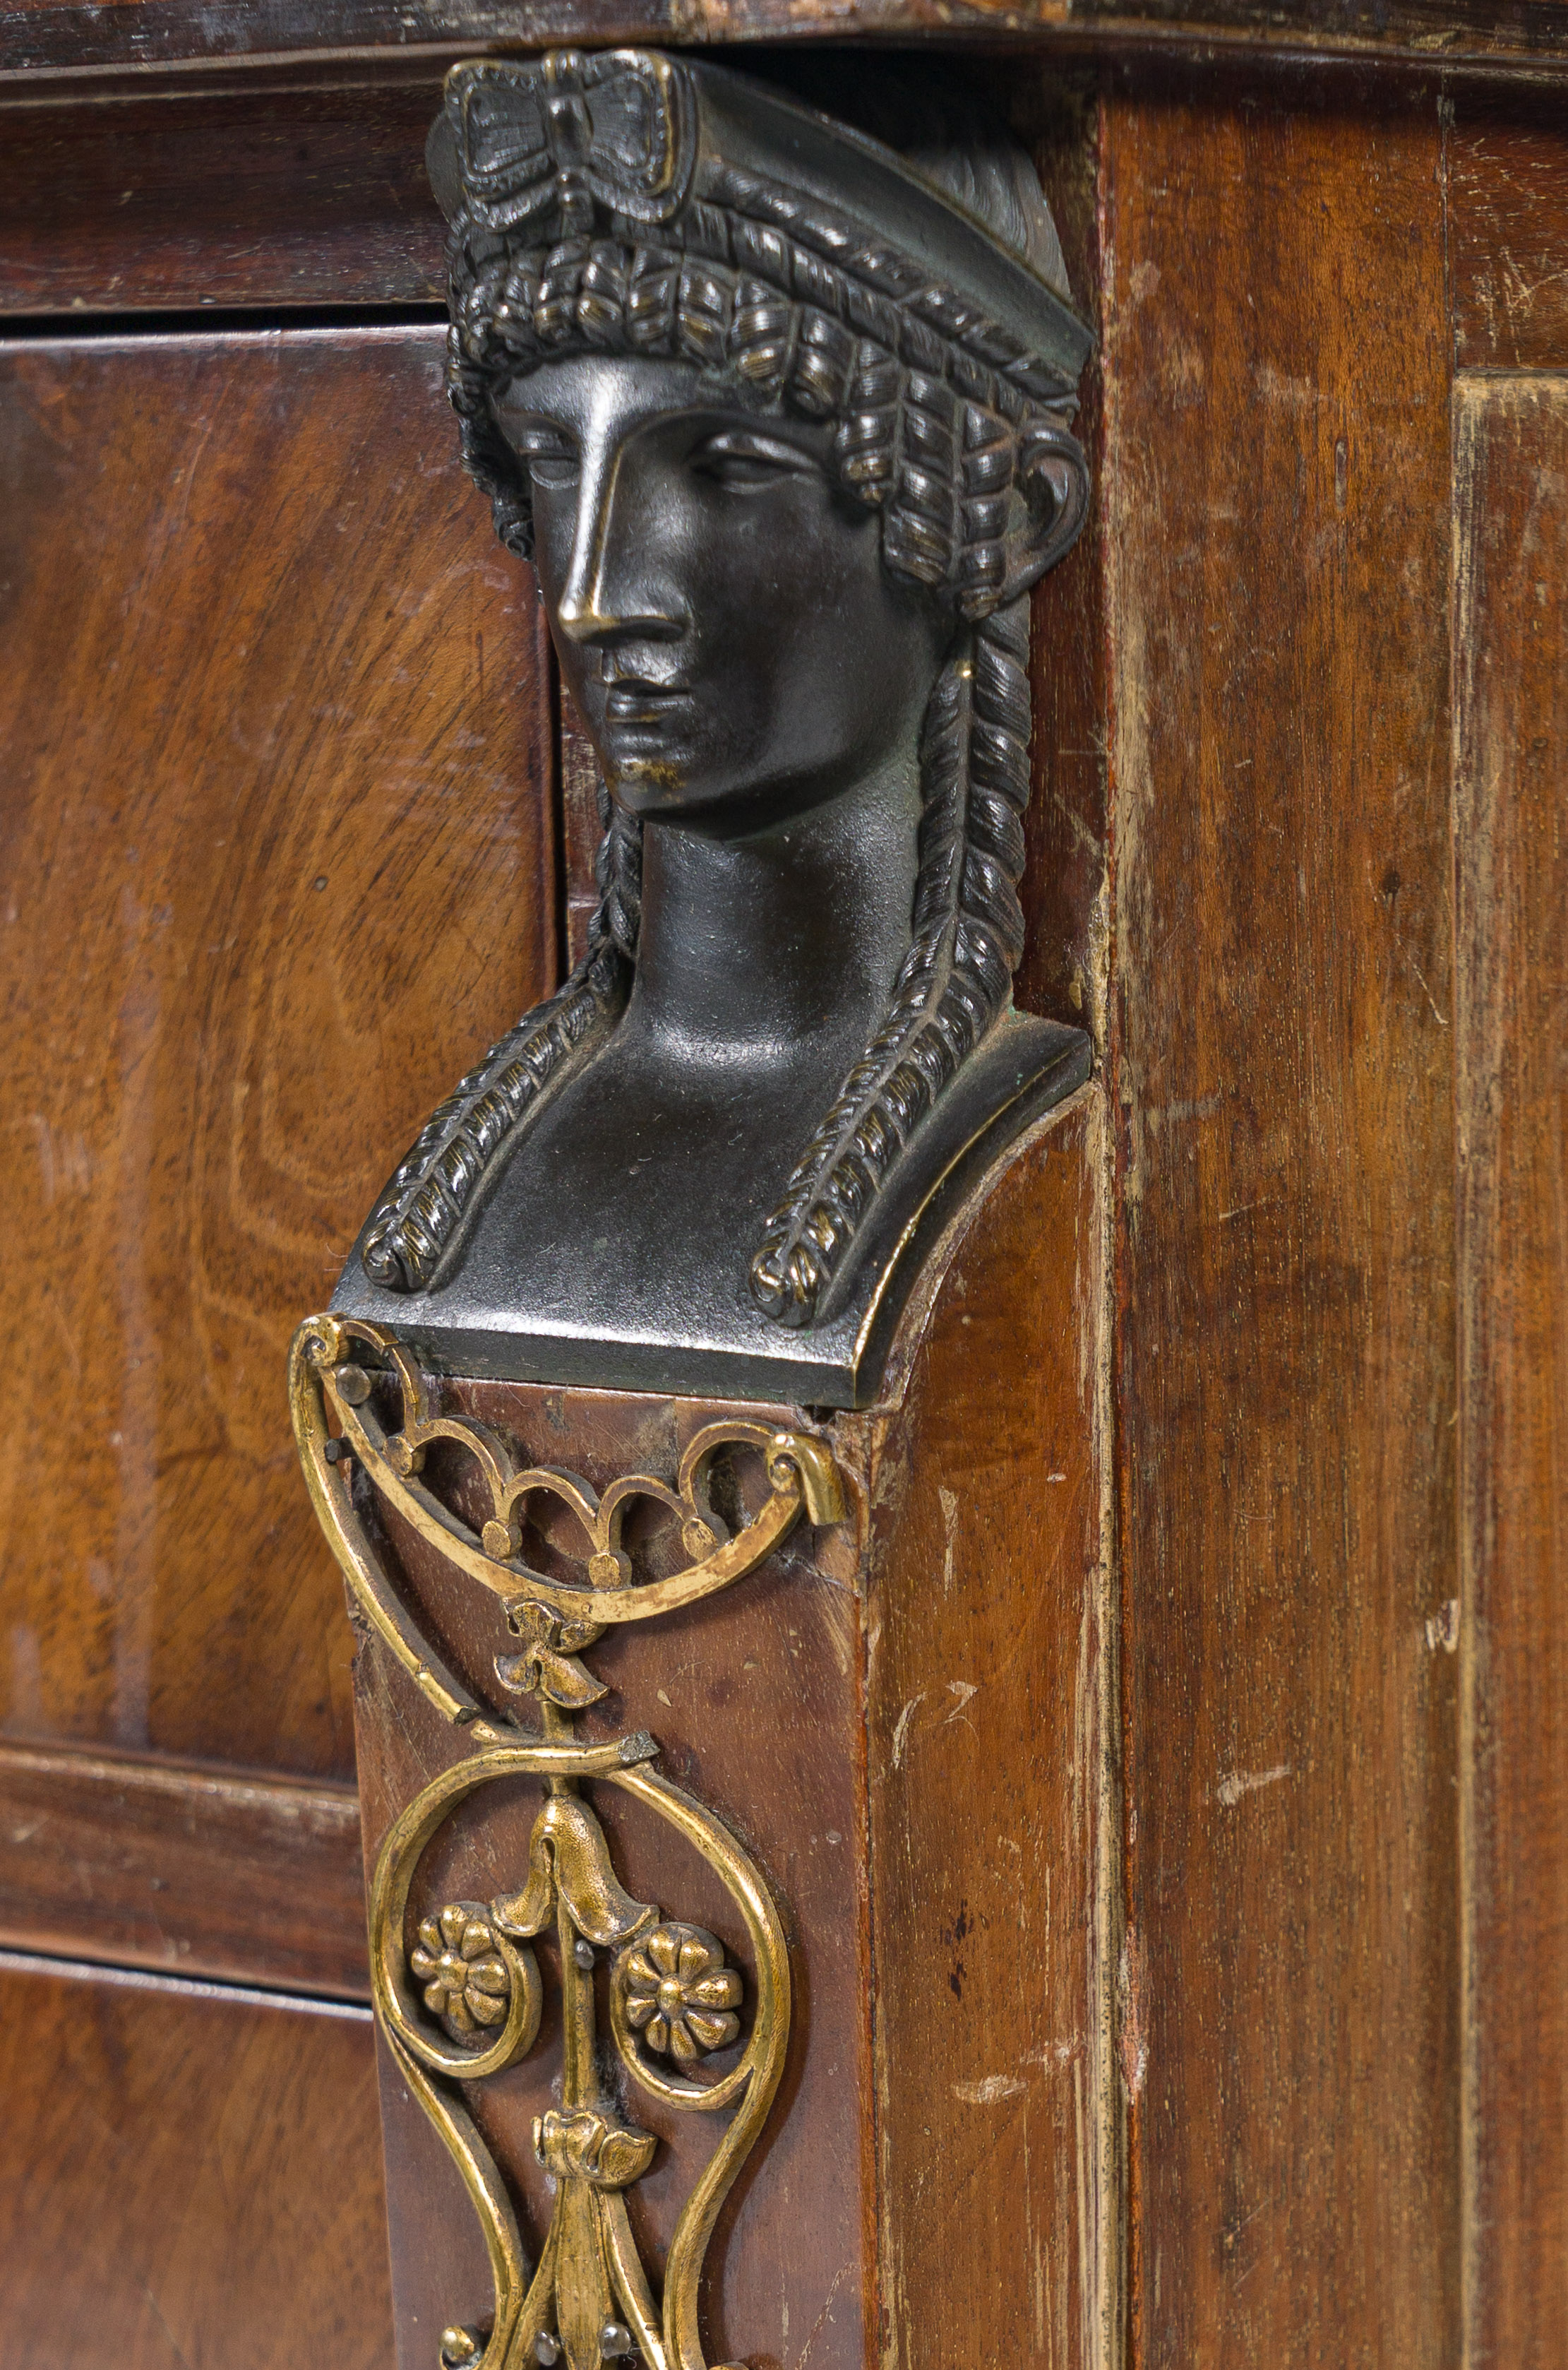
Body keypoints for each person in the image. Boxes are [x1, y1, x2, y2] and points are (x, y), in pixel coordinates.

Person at [339, 49, 1092, 1401]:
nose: (587, 599)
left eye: (728, 466)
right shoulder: (450, 1211)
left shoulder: (1014, 1157)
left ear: (1002, 520)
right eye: (554, 461)